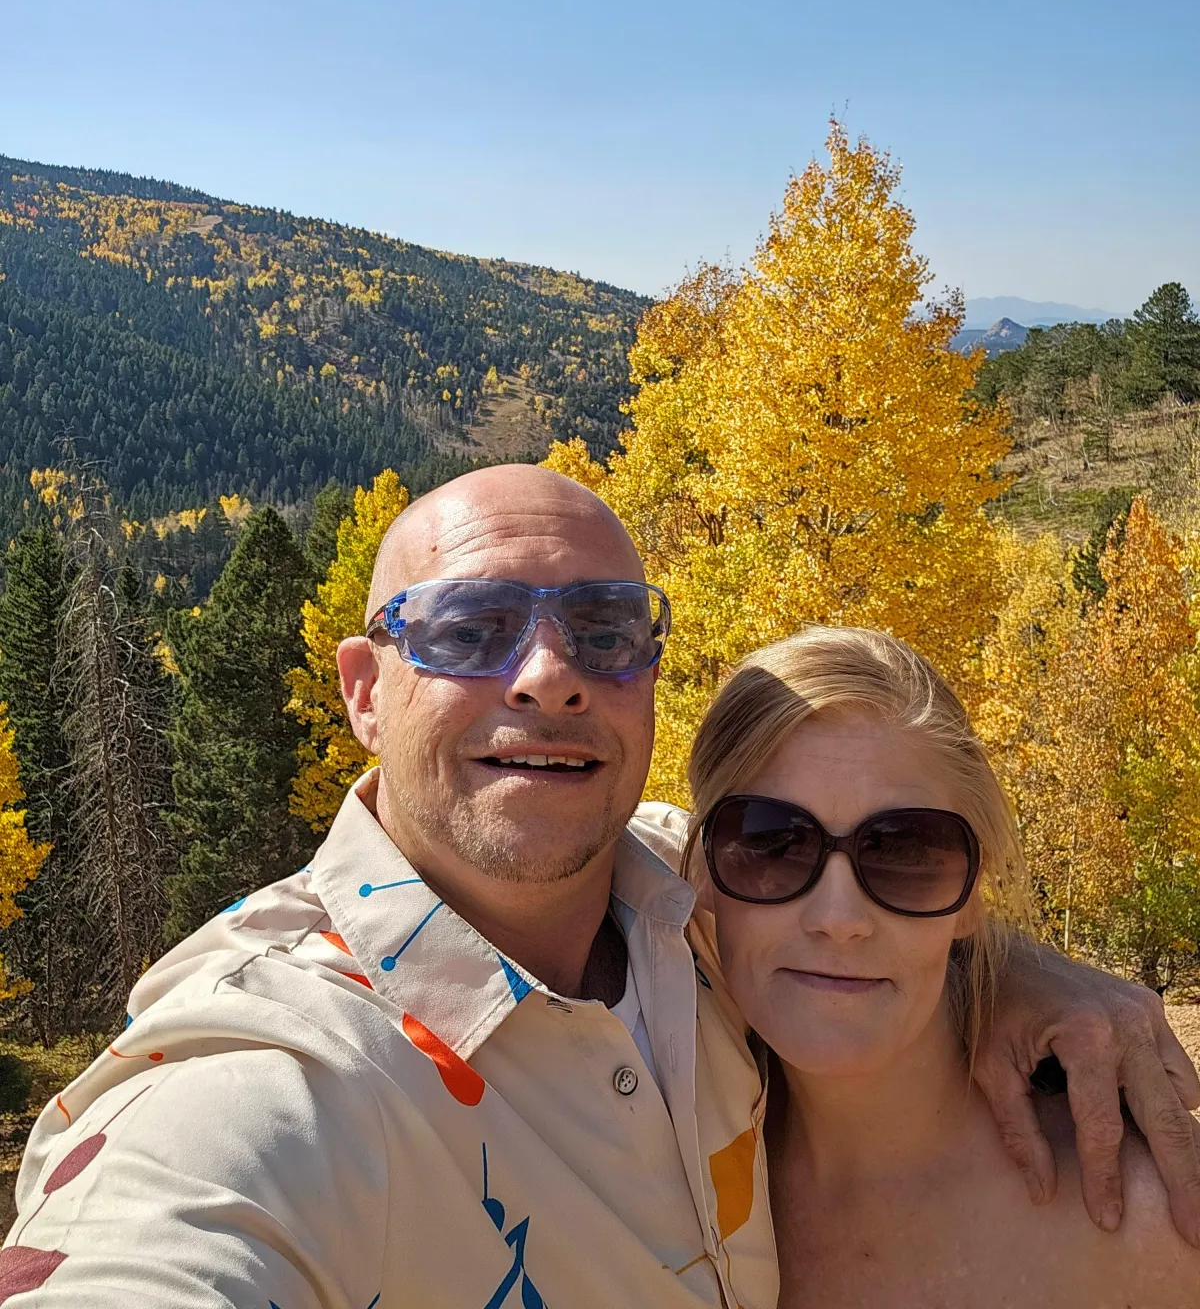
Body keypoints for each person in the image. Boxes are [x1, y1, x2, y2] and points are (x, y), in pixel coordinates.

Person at [3, 466, 1197, 1307]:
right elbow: (164, 1234)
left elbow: (846, 866)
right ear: (364, 690)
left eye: (603, 629)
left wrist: (1006, 962)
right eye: (470, 628)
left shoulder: (701, 888)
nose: (548, 676)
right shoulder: (282, 1070)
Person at [687, 624, 1200, 1307]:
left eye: (905, 851)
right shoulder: (657, 1156)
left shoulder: (1146, 1224)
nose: (839, 918)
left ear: (971, 896)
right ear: (700, 869)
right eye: (770, 842)